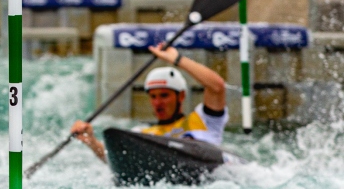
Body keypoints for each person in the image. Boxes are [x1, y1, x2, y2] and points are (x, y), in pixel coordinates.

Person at [71, 43, 228, 163]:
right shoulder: (144, 135)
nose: (158, 102)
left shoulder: (205, 121)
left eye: (164, 95)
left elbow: (217, 86)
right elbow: (114, 158)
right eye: (153, 96)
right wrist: (91, 141)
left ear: (181, 96)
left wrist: (177, 59)